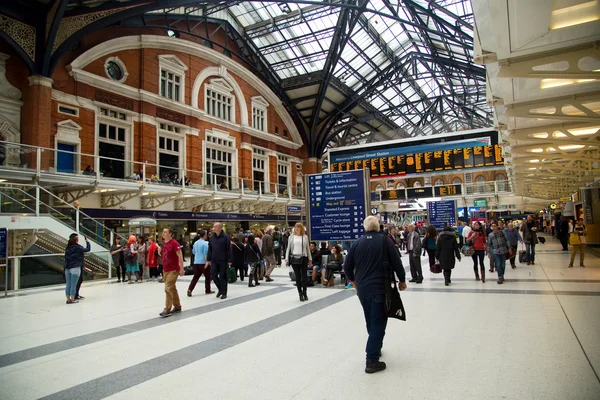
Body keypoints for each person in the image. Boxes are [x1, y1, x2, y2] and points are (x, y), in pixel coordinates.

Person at [343, 216, 406, 374]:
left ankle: (375, 347)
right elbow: (396, 262)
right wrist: (402, 280)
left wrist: (353, 280)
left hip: (363, 289)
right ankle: (371, 360)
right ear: (378, 227)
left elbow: (347, 266)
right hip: (380, 287)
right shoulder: (386, 241)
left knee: (370, 319)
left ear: (364, 227)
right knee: (379, 323)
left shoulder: (357, 243)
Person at [158, 227, 184, 317]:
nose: (163, 233)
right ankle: (177, 306)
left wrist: (181, 268)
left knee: (168, 288)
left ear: (170, 234)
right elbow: (164, 256)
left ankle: (167, 309)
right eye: (163, 232)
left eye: (165, 232)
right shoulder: (164, 243)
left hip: (173, 269)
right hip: (166, 269)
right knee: (172, 288)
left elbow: (180, 256)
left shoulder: (174, 243)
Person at [285, 222, 312, 301]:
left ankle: (305, 292)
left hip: (303, 258)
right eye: (296, 227)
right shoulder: (291, 237)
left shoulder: (305, 237)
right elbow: (288, 248)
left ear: (301, 228)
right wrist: (286, 259)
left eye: (298, 227)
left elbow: (307, 249)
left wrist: (310, 260)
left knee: (304, 276)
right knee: (297, 276)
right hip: (294, 258)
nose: (297, 229)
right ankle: (300, 293)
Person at [206, 222, 232, 299]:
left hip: (223, 260)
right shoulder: (212, 237)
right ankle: (220, 289)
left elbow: (229, 249)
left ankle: (224, 292)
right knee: (213, 274)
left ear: (220, 228)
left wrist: (229, 260)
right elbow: (210, 248)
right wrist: (208, 259)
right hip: (214, 259)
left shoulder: (225, 237)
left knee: (223, 276)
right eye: (213, 227)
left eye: (215, 227)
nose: (214, 228)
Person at [64, 233, 90, 304]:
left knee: (68, 284)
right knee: (73, 285)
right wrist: (87, 242)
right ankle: (72, 299)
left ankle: (68, 299)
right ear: (76, 239)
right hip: (75, 268)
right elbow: (87, 249)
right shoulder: (78, 247)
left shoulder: (68, 248)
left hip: (67, 268)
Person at [188, 230, 214, 296]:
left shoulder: (196, 243)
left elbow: (193, 252)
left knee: (195, 277)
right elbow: (206, 254)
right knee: (208, 277)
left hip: (196, 262)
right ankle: (207, 290)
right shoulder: (206, 243)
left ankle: (190, 289)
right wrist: (207, 262)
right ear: (205, 235)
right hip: (203, 262)